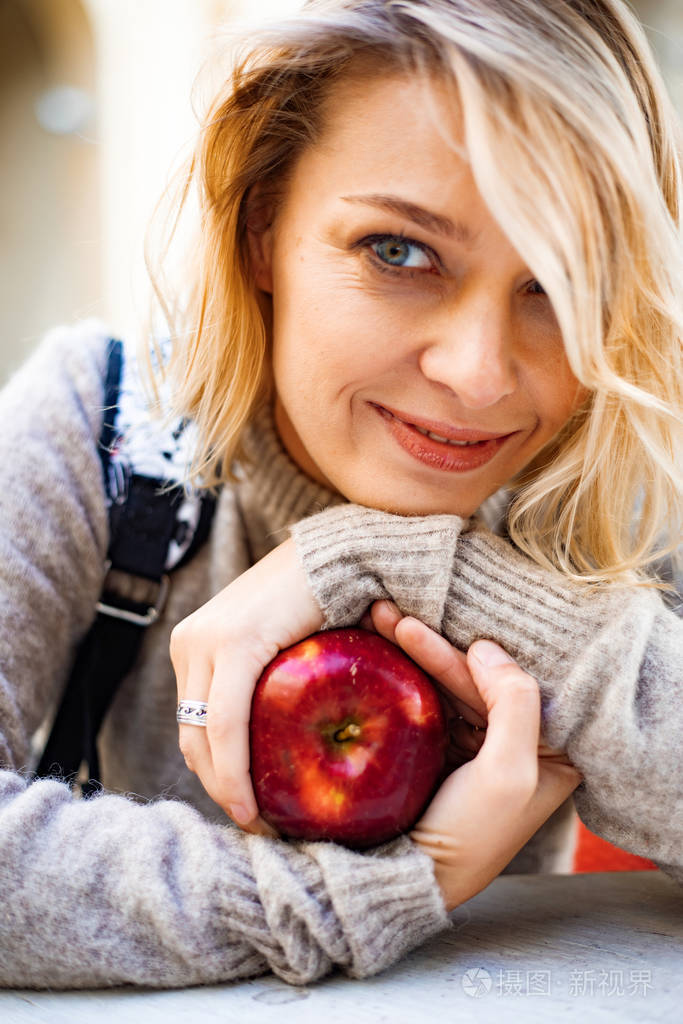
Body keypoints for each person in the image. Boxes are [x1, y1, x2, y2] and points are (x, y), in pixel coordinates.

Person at [0, 0, 680, 991]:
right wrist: (364, 893)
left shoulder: (613, 494)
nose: (479, 373)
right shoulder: (102, 428)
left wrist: (385, 560)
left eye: (557, 282)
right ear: (260, 222)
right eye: (397, 251)